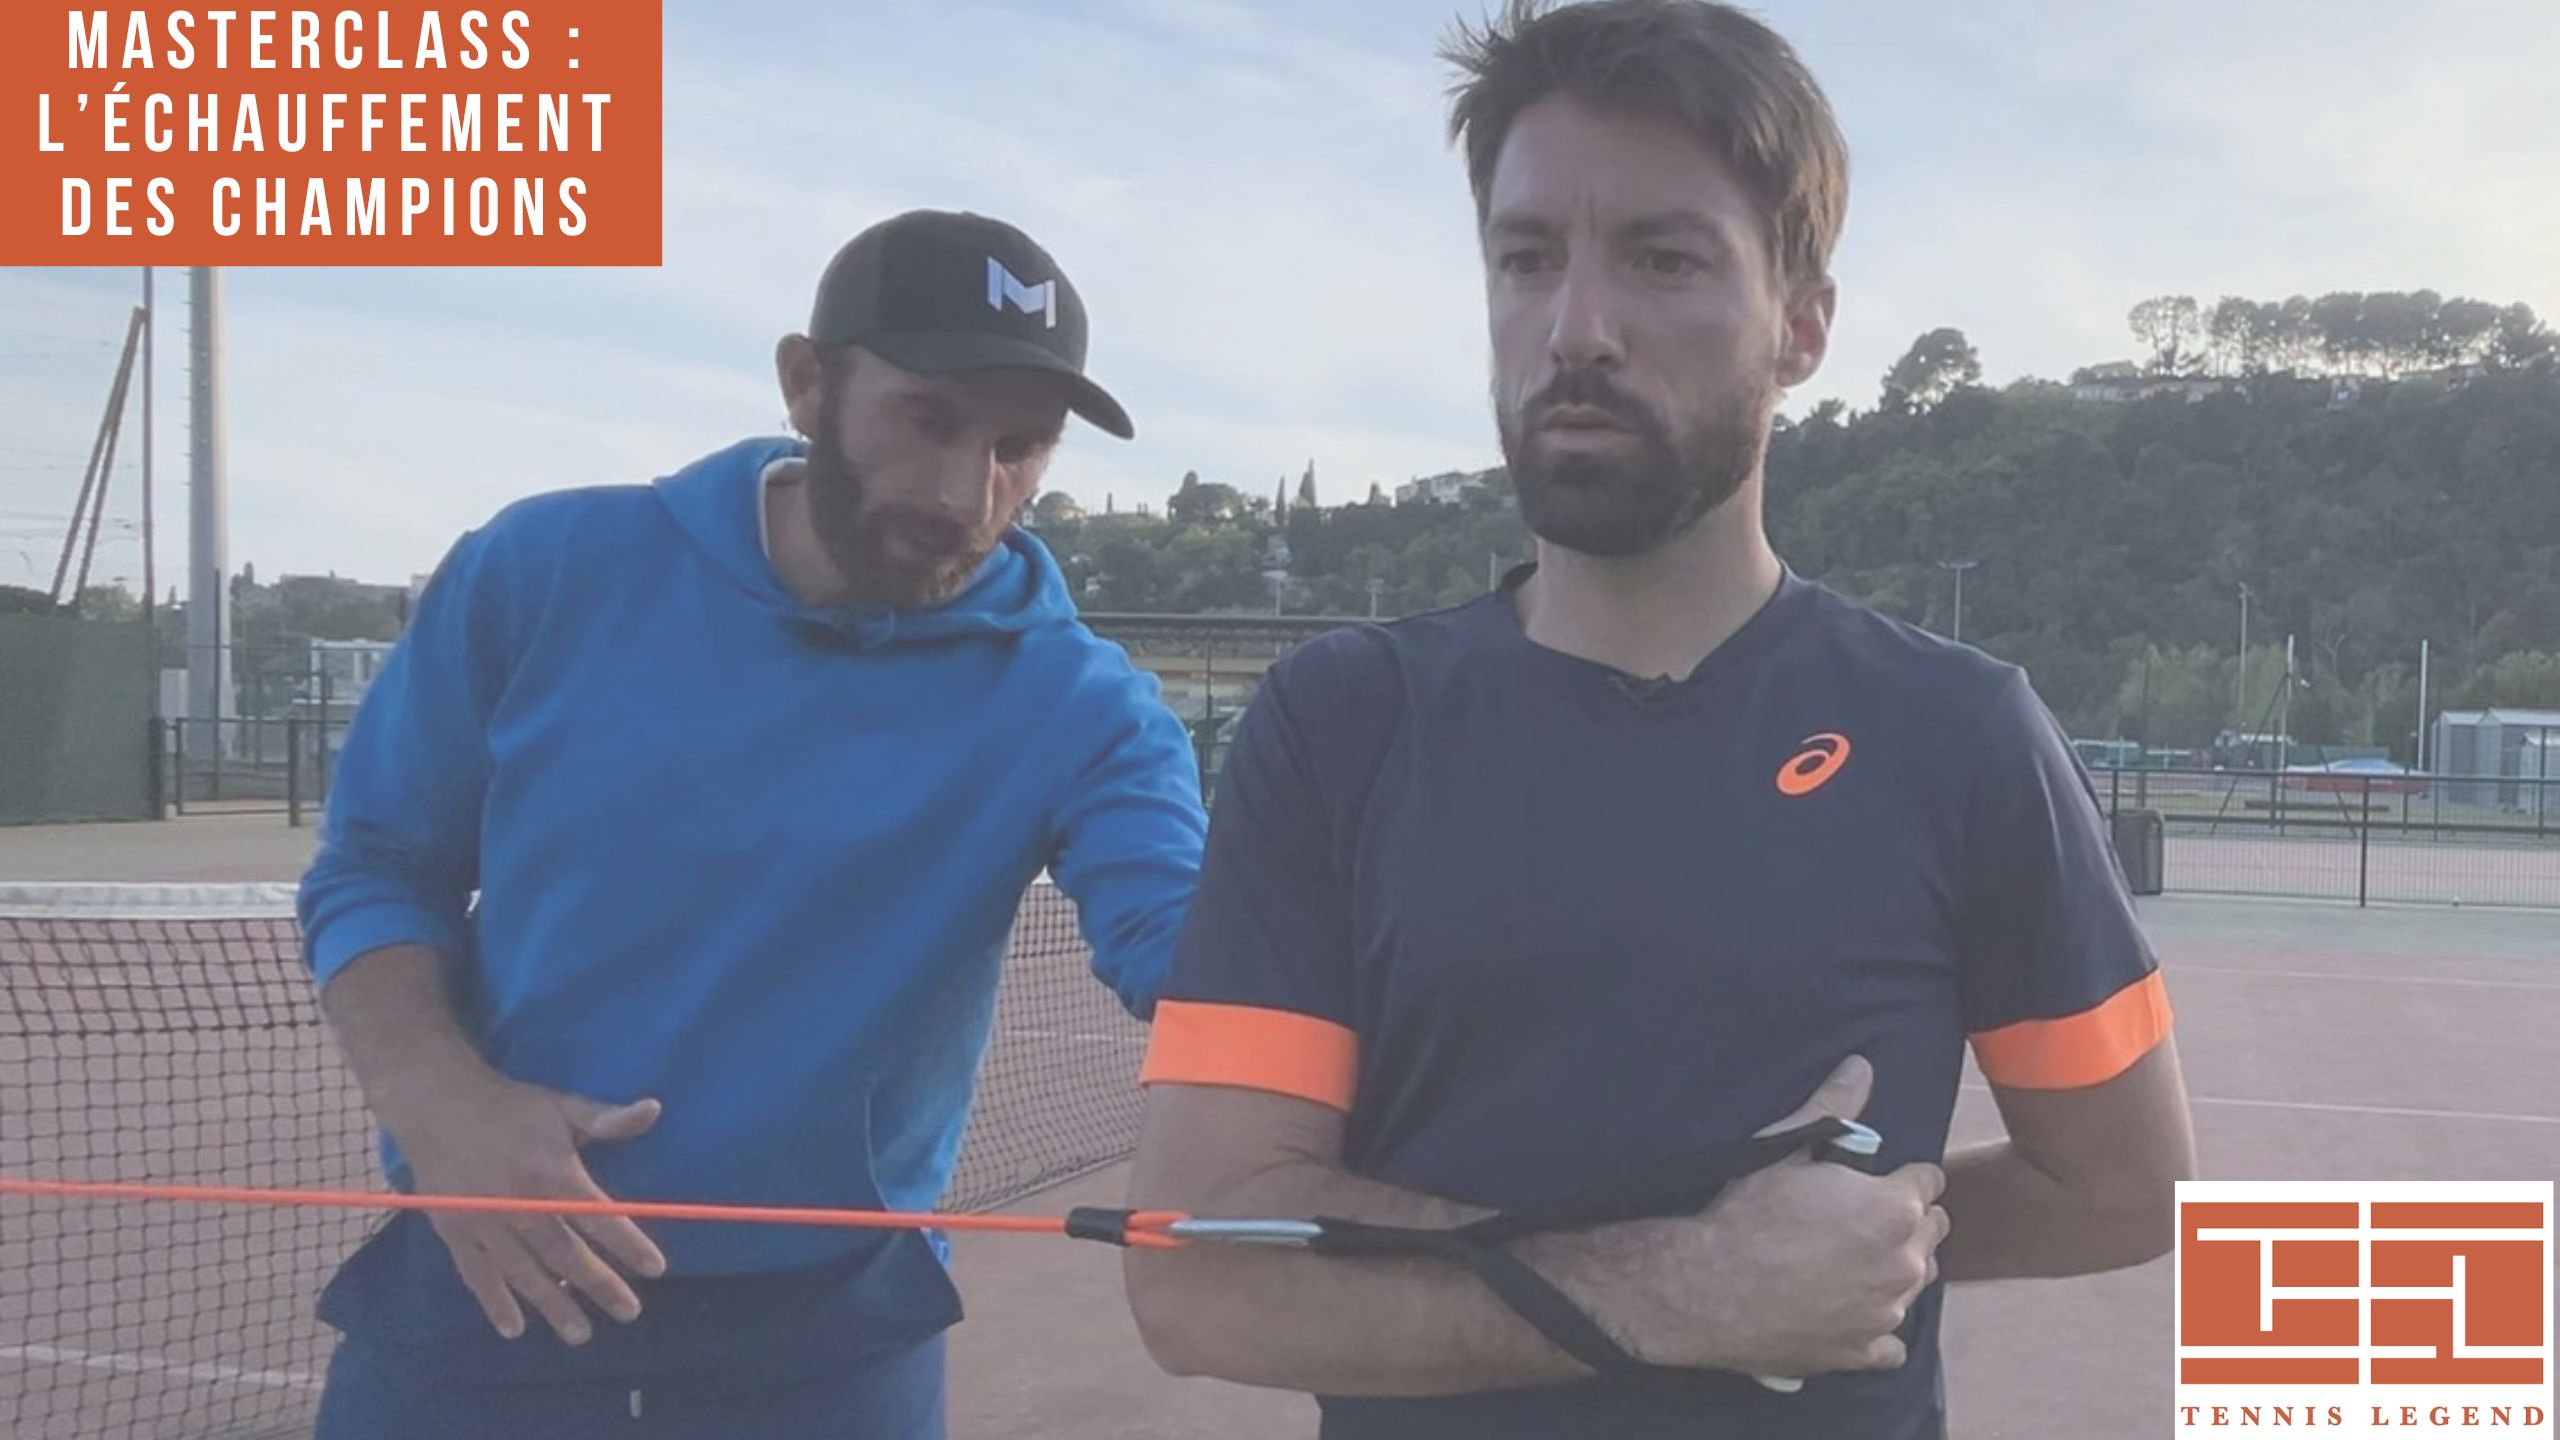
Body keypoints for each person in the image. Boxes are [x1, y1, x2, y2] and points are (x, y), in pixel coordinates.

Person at [1119, 2, 2197, 1436]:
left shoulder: (1958, 732)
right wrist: (1681, 1288)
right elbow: (1198, 1276)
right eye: (1526, 259)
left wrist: (1852, 1258)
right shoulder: (1341, 723)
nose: (1575, 328)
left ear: (1800, 325)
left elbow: (2125, 1186)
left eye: (1662, 258)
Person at [295, 208, 1208, 1438]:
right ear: (807, 382)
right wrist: (440, 1102)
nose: (966, 493)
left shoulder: (1085, 706)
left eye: (1018, 446)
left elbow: (1188, 946)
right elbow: (377, 867)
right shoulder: (544, 568)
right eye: (928, 419)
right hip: (490, 1274)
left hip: (833, 1339)